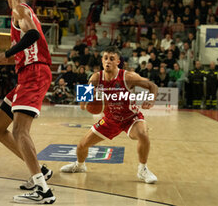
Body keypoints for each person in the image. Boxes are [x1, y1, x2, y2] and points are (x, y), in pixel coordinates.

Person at [0, 0, 56, 204]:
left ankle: (43, 190)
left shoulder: (19, 9)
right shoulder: (26, 11)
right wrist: (2, 59)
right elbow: (26, 50)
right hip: (27, 74)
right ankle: (41, 171)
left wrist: (7, 52)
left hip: (34, 74)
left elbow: (33, 35)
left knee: (19, 131)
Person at [60, 47, 158, 184]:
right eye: (105, 58)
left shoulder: (128, 77)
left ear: (118, 61)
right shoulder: (95, 78)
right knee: (81, 146)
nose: (108, 61)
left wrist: (151, 99)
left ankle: (143, 169)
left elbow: (153, 86)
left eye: (112, 59)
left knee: (143, 134)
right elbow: (82, 105)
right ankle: (80, 165)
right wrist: (88, 103)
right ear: (101, 60)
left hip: (130, 118)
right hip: (109, 119)